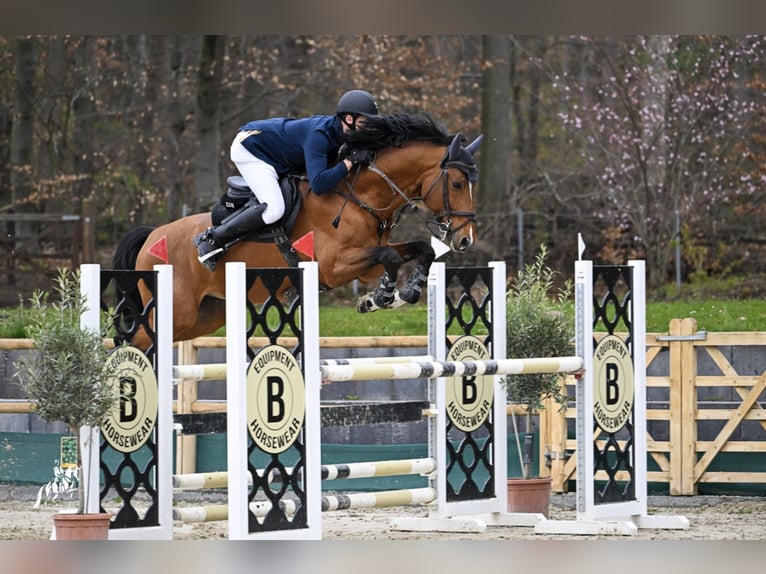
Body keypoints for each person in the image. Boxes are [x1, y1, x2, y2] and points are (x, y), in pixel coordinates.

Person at [194, 89, 380, 270]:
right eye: (366, 122)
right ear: (349, 119)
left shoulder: (340, 132)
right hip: (251, 149)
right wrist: (349, 162)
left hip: (274, 152)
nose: (369, 128)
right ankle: (212, 238)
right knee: (274, 209)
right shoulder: (320, 136)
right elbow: (319, 185)